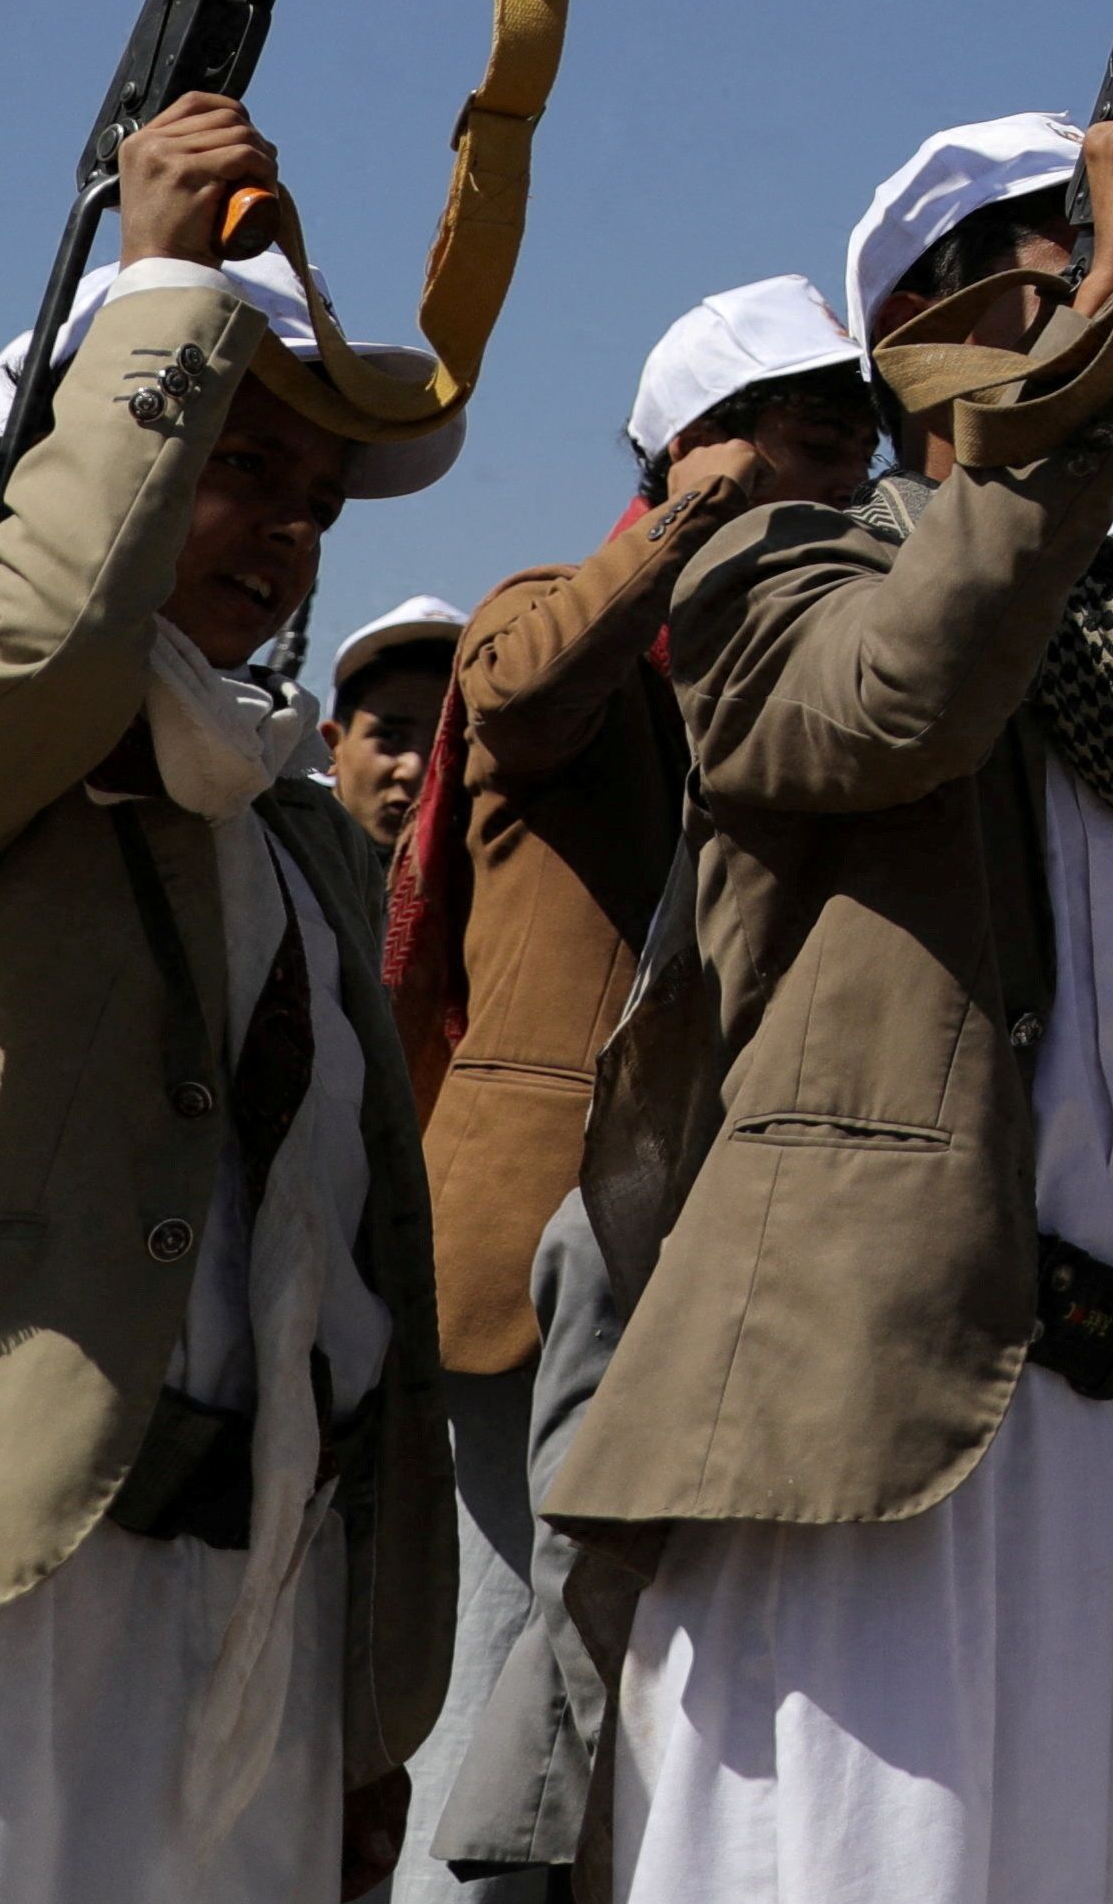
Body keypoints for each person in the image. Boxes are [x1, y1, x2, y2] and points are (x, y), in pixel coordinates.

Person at [0, 97, 466, 1897]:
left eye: (313, 499)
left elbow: (356, 1272)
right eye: (237, 462)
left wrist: (361, 1705)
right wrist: (157, 286)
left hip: (244, 1619)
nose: (289, 531)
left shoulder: (291, 827)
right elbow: (42, 650)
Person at [548, 103, 1113, 1901]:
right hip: (862, 1411)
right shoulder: (783, 568)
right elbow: (899, 700)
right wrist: (1081, 382)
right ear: (927, 326)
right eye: (1071, 274)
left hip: (1092, 1437)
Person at [387, 270, 880, 1904]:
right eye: (817, 439)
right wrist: (681, 527)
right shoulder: (556, 609)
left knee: (639, 1700)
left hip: (705, 1251)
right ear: (702, 447)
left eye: (862, 446)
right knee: (509, 1667)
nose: (853, 476)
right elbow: (521, 693)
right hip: (538, 1248)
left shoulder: (790, 675)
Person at [321, 596, 466, 860]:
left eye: (450, 745)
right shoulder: (257, 856)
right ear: (330, 748)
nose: (414, 769)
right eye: (391, 736)